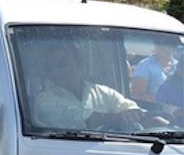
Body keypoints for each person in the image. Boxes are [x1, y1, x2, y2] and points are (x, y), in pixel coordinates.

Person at [34, 47, 167, 130]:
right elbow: (86, 120)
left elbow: (135, 112)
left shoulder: (102, 92)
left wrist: (171, 127)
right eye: (50, 68)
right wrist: (119, 118)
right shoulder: (44, 100)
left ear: (79, 62)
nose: (56, 71)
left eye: (62, 64)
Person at [130, 36, 179, 101]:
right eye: (161, 44)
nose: (166, 48)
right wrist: (165, 99)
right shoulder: (144, 66)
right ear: (156, 45)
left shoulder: (179, 66)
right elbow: (137, 96)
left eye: (170, 44)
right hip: (153, 109)